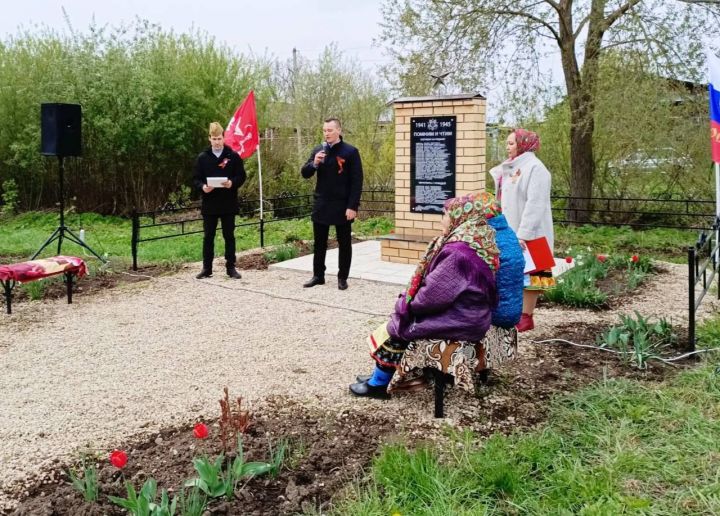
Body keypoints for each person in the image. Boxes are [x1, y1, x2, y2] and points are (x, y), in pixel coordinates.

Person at [349, 194, 500, 399]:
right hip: (471, 315)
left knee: (400, 326)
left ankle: (378, 384)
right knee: (402, 318)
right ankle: (382, 374)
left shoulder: (458, 253)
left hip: (462, 319)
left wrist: (405, 304)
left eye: (445, 214)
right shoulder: (476, 240)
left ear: (460, 217)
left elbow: (432, 297)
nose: (442, 219)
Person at [489, 128, 554, 332]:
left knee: (534, 275)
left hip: (532, 232)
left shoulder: (536, 169)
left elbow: (536, 204)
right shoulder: (512, 167)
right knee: (514, 273)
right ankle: (515, 314)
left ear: (523, 144)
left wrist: (523, 234)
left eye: (511, 143)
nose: (507, 147)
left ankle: (527, 316)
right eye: (507, 143)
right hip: (512, 230)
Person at [300, 118, 363, 290]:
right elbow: (305, 173)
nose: (326, 133)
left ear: (339, 131)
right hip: (322, 203)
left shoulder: (350, 152)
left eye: (330, 130)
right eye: (324, 130)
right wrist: (315, 163)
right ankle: (318, 275)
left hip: (343, 205)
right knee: (319, 242)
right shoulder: (318, 150)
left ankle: (342, 277)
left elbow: (357, 181)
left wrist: (353, 206)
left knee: (344, 243)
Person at [193, 122, 246, 279]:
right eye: (214, 138)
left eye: (219, 138)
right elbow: (196, 179)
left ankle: (231, 268)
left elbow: (241, 176)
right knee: (208, 236)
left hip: (228, 203)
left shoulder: (233, 156)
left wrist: (232, 183)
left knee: (229, 236)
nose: (217, 142)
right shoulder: (202, 158)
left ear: (224, 138)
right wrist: (203, 187)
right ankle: (206, 268)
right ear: (209, 138)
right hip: (210, 204)